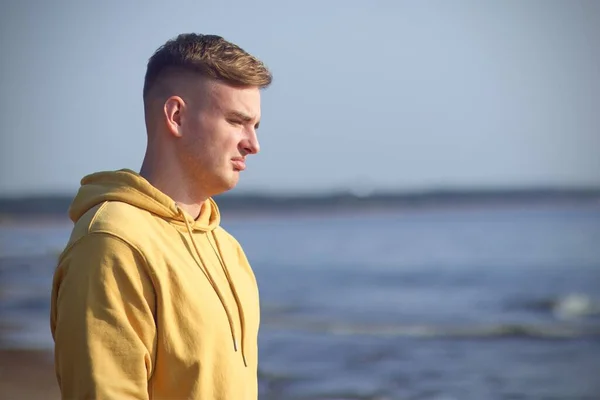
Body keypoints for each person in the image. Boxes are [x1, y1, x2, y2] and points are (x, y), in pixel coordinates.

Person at [50, 33, 272, 399]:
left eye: (255, 126)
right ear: (176, 116)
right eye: (237, 121)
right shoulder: (111, 244)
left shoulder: (226, 247)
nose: (253, 144)